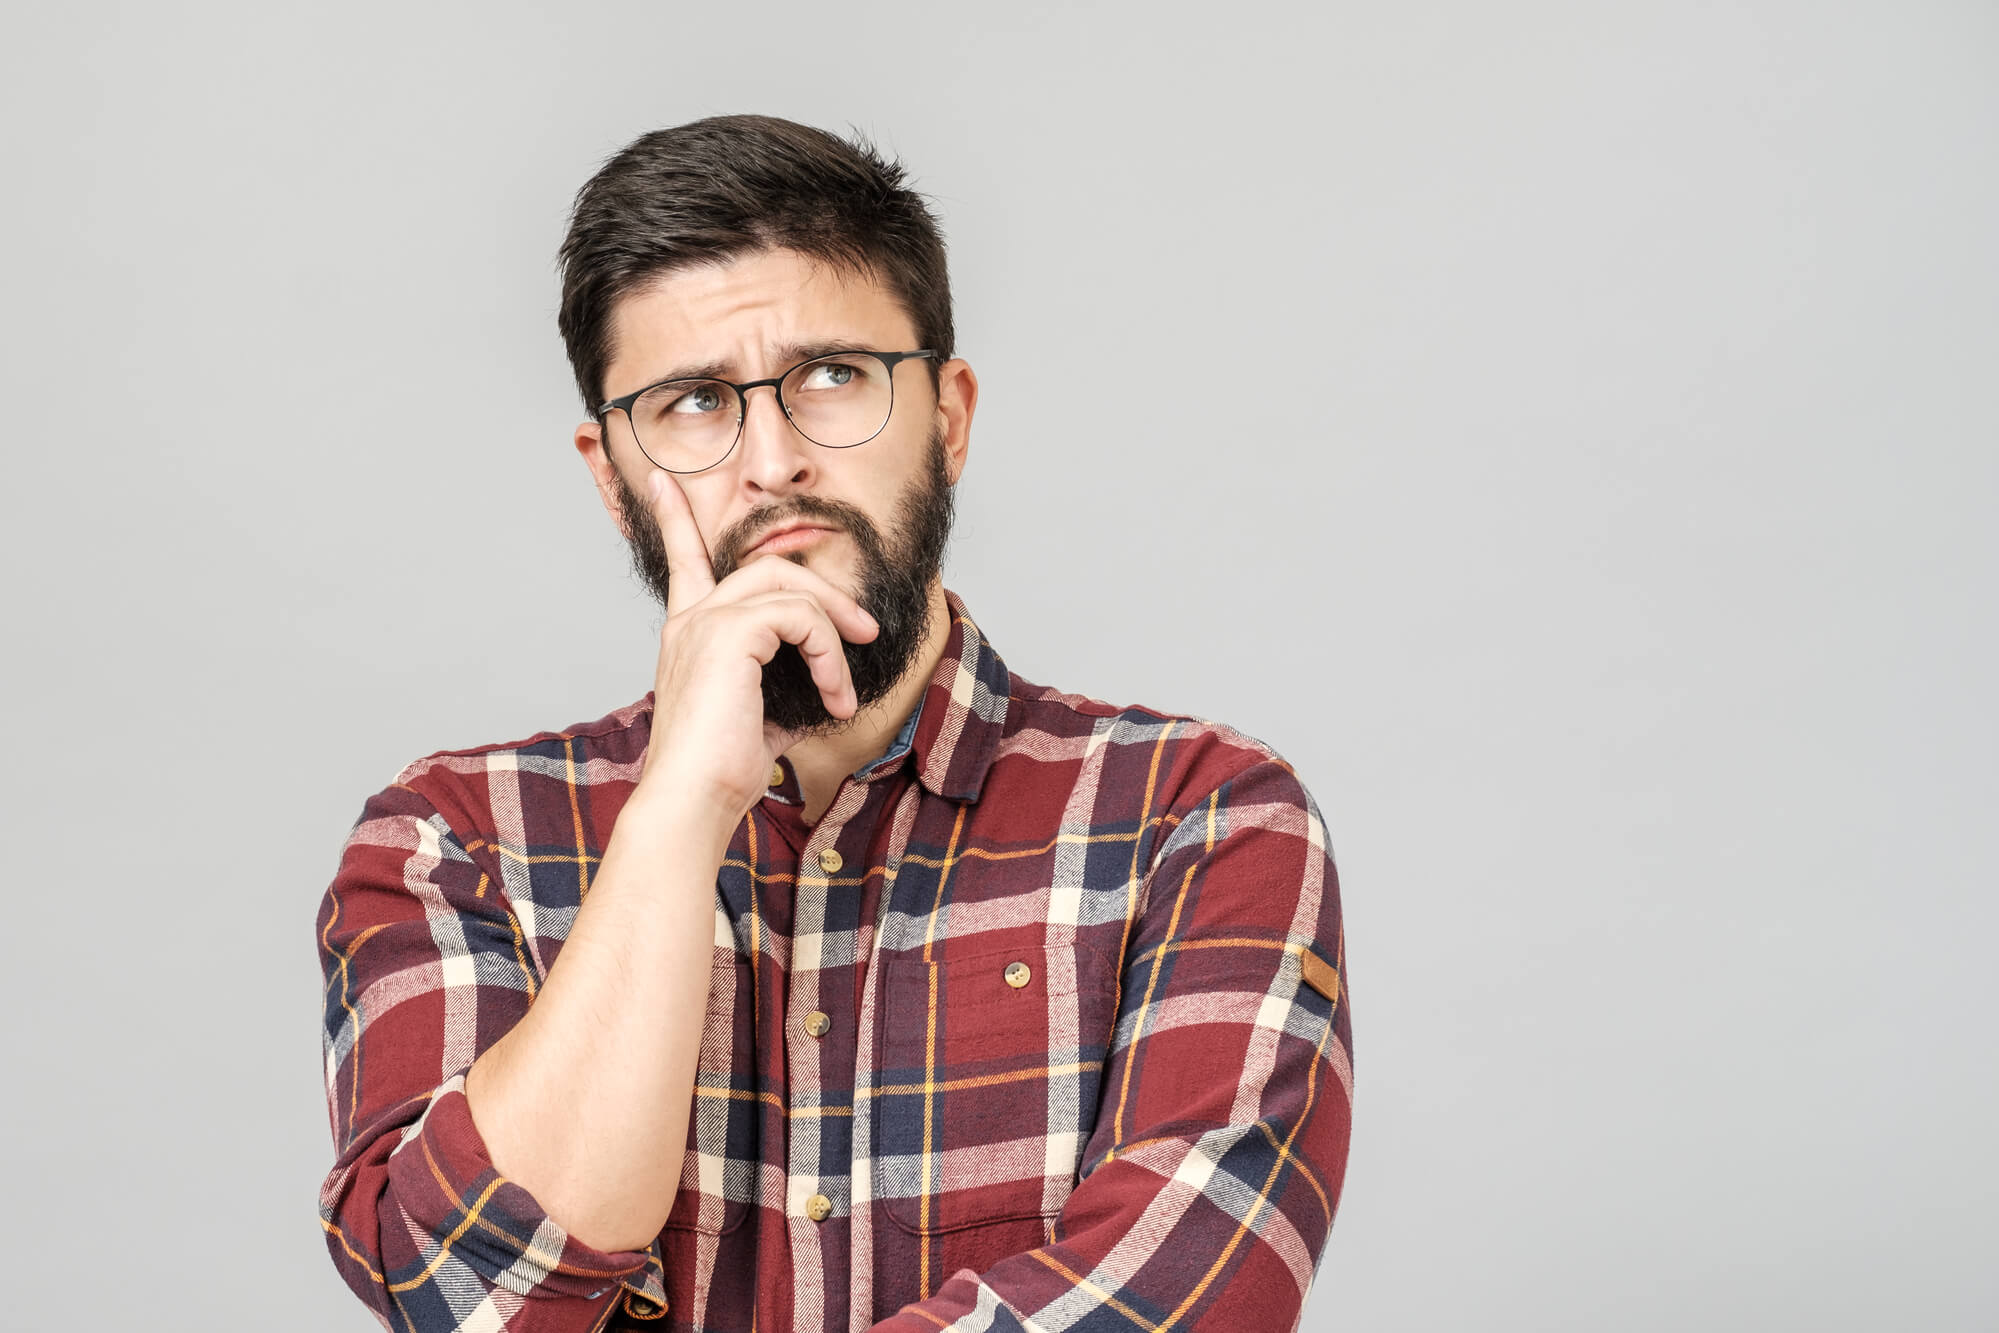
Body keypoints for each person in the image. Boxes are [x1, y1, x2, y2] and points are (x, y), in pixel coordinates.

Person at [315, 113, 1352, 1333]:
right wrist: (679, 815)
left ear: (949, 416)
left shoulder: (1201, 820)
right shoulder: (452, 841)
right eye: (695, 402)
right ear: (611, 478)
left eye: (832, 378)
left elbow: (1186, 1300)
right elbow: (463, 1298)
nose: (774, 460)